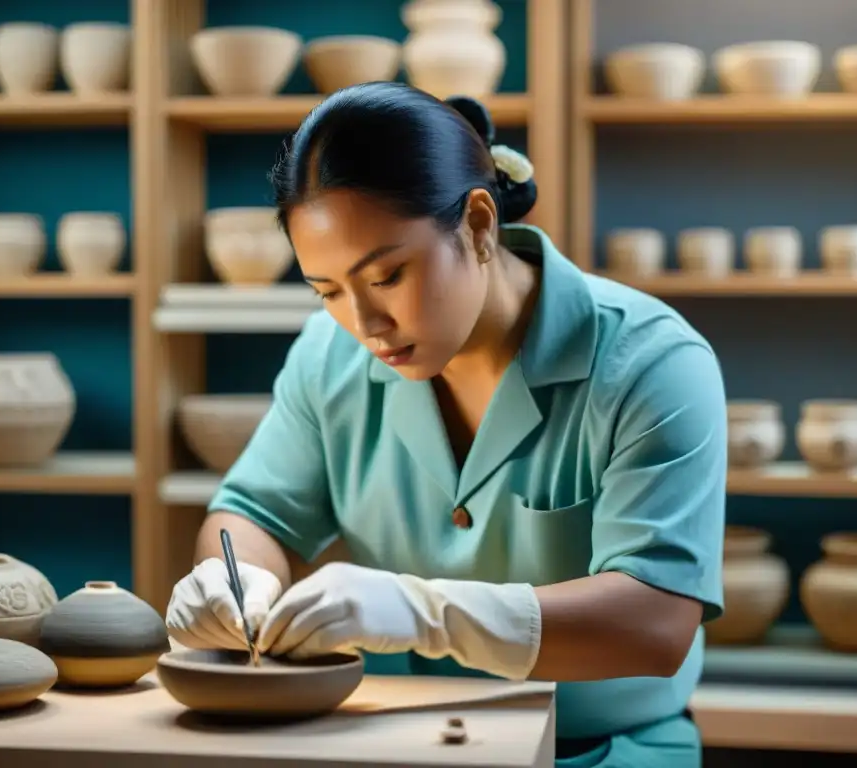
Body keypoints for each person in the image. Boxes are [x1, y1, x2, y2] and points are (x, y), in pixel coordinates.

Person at [165, 81, 727, 767]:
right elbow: (251, 513)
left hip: (599, 749)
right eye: (328, 291)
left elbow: (657, 623)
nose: (364, 325)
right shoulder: (328, 354)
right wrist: (233, 579)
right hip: (391, 740)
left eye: (388, 275)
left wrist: (425, 613)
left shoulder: (651, 363)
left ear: (480, 225)